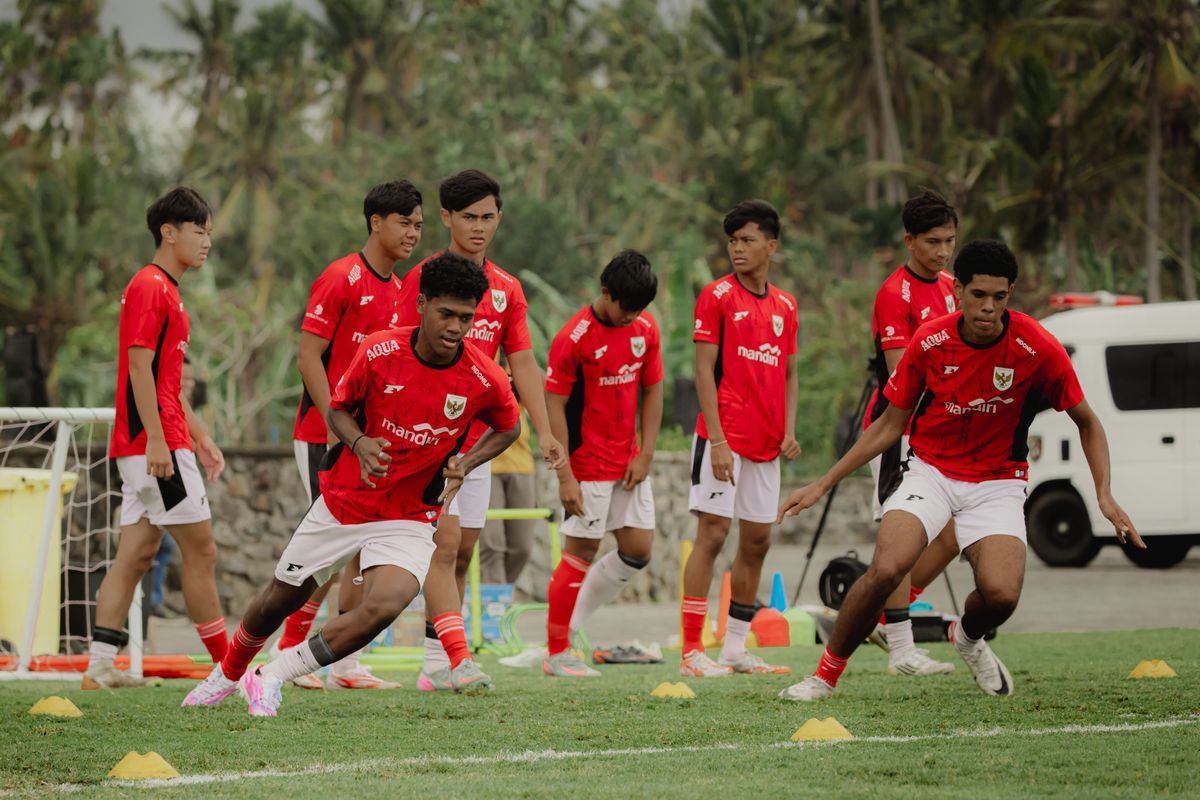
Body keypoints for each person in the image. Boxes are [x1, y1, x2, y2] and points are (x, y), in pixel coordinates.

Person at [778, 239, 1142, 702]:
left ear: (1010, 294)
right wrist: (823, 483)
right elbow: (889, 423)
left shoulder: (1037, 347)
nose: (988, 307)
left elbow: (1088, 423)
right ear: (958, 293)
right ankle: (823, 677)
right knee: (887, 568)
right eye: (978, 295)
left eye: (1000, 296)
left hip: (997, 483)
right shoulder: (929, 341)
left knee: (1002, 596)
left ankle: (967, 638)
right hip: (929, 471)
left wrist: (1104, 496)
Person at [182, 252, 521, 716]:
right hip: (344, 503)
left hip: (409, 516)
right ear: (422, 304)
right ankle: (227, 672)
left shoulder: (483, 376)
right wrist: (360, 443)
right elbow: (338, 408)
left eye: (467, 317)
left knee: (385, 605)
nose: (457, 327)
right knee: (277, 600)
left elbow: (510, 426)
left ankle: (272, 675)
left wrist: (466, 460)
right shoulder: (380, 352)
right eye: (447, 314)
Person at [393, 169, 566, 692]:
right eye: (468, 217)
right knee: (442, 548)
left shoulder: (508, 289)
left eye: (488, 217)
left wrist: (546, 429)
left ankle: (437, 661)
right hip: (427, 442)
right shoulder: (419, 279)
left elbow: (524, 362)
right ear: (445, 218)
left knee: (464, 551)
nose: (479, 227)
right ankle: (443, 661)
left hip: (479, 445)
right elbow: (396, 351)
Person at [273, 180, 424, 690]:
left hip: (367, 442)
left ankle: (344, 664)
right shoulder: (340, 277)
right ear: (376, 222)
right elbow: (307, 355)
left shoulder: (402, 290)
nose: (413, 233)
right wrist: (339, 424)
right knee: (330, 550)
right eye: (405, 222)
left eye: (419, 224)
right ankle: (287, 651)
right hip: (324, 435)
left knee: (361, 549)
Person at [84, 187, 227, 689]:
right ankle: (229, 671)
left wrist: (201, 435)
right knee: (202, 550)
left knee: (136, 554)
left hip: (155, 442)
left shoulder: (168, 289)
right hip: (154, 447)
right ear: (169, 232)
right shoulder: (150, 285)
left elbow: (168, 382)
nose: (207, 241)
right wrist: (159, 443)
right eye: (200, 231)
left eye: (209, 232)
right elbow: (138, 370)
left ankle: (99, 667)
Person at [680, 200, 800, 678]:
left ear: (771, 245)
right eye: (732, 241)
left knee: (758, 542)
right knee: (711, 534)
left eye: (747, 240)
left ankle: (734, 649)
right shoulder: (716, 297)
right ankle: (692, 652)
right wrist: (719, 442)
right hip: (722, 439)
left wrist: (789, 429)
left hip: (766, 445)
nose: (737, 249)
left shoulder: (786, 306)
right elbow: (703, 372)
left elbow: (790, 373)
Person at [542, 250, 663, 677]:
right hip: (586, 465)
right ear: (605, 293)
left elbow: (654, 390)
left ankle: (568, 629)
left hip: (627, 462)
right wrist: (565, 476)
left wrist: (645, 452)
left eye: (640, 309)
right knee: (580, 553)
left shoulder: (645, 329)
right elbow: (553, 406)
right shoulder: (573, 338)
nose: (633, 316)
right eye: (626, 307)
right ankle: (556, 653)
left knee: (638, 550)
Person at [862, 189, 962, 676]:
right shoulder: (893, 294)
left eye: (949, 241)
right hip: (900, 432)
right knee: (901, 539)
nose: (943, 252)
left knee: (950, 539)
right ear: (909, 241)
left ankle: (881, 612)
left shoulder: (952, 286)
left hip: (943, 430)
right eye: (932, 242)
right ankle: (901, 650)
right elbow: (903, 376)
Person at [478, 407, 537, 586]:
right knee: (491, 544)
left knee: (522, 547)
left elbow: (545, 394)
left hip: (521, 464)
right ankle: (495, 601)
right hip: (485, 463)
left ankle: (500, 591)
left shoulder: (521, 378)